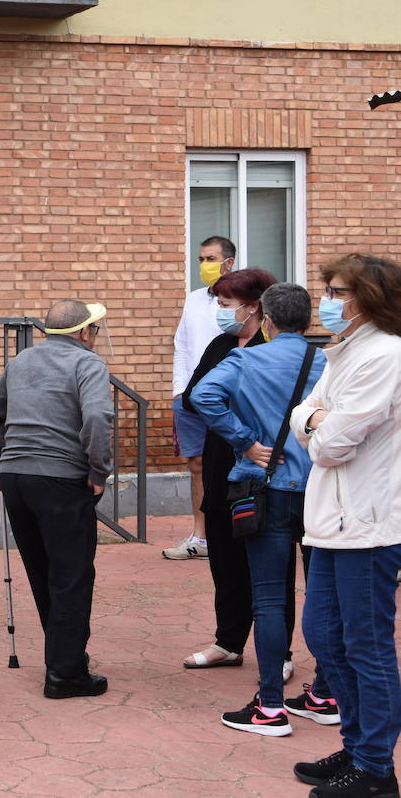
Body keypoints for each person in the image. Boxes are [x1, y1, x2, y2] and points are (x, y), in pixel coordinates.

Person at [191, 283, 326, 737]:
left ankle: (270, 707)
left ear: (266, 319)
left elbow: (202, 397)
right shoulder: (327, 362)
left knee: (268, 598)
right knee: (324, 595)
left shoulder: (245, 360)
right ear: (308, 320)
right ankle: (325, 693)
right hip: (321, 491)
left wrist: (246, 442)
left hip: (267, 488)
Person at [290, 254, 401, 796]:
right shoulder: (344, 351)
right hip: (330, 520)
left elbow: (330, 445)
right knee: (323, 636)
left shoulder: (385, 354)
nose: (327, 302)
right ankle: (358, 747)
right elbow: (302, 416)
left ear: (368, 298)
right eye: (328, 291)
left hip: (368, 523)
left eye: (337, 293)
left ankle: (376, 769)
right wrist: (317, 420)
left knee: (367, 645)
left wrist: (317, 424)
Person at [0, 299, 113, 699]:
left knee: (42, 570)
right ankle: (65, 673)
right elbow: (97, 418)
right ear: (84, 332)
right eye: (94, 330)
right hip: (61, 479)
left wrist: (7, 458)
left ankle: (64, 656)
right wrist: (98, 471)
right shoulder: (88, 363)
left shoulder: (21, 360)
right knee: (71, 575)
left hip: (16, 478)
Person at [179, 268, 273, 670]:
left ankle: (278, 652)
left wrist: (225, 400)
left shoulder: (274, 346)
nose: (218, 309)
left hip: (261, 468)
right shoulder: (220, 344)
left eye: (225, 303)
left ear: (252, 306)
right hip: (221, 465)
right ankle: (228, 642)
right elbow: (192, 397)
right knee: (224, 563)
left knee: (266, 567)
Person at [166, 236, 237, 561]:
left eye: (210, 259)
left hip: (227, 397)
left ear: (228, 263)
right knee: (196, 465)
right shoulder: (193, 299)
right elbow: (181, 345)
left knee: (232, 461)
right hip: (190, 397)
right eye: (201, 259)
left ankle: (234, 533)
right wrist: (179, 390)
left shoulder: (241, 301)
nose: (204, 265)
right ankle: (201, 536)